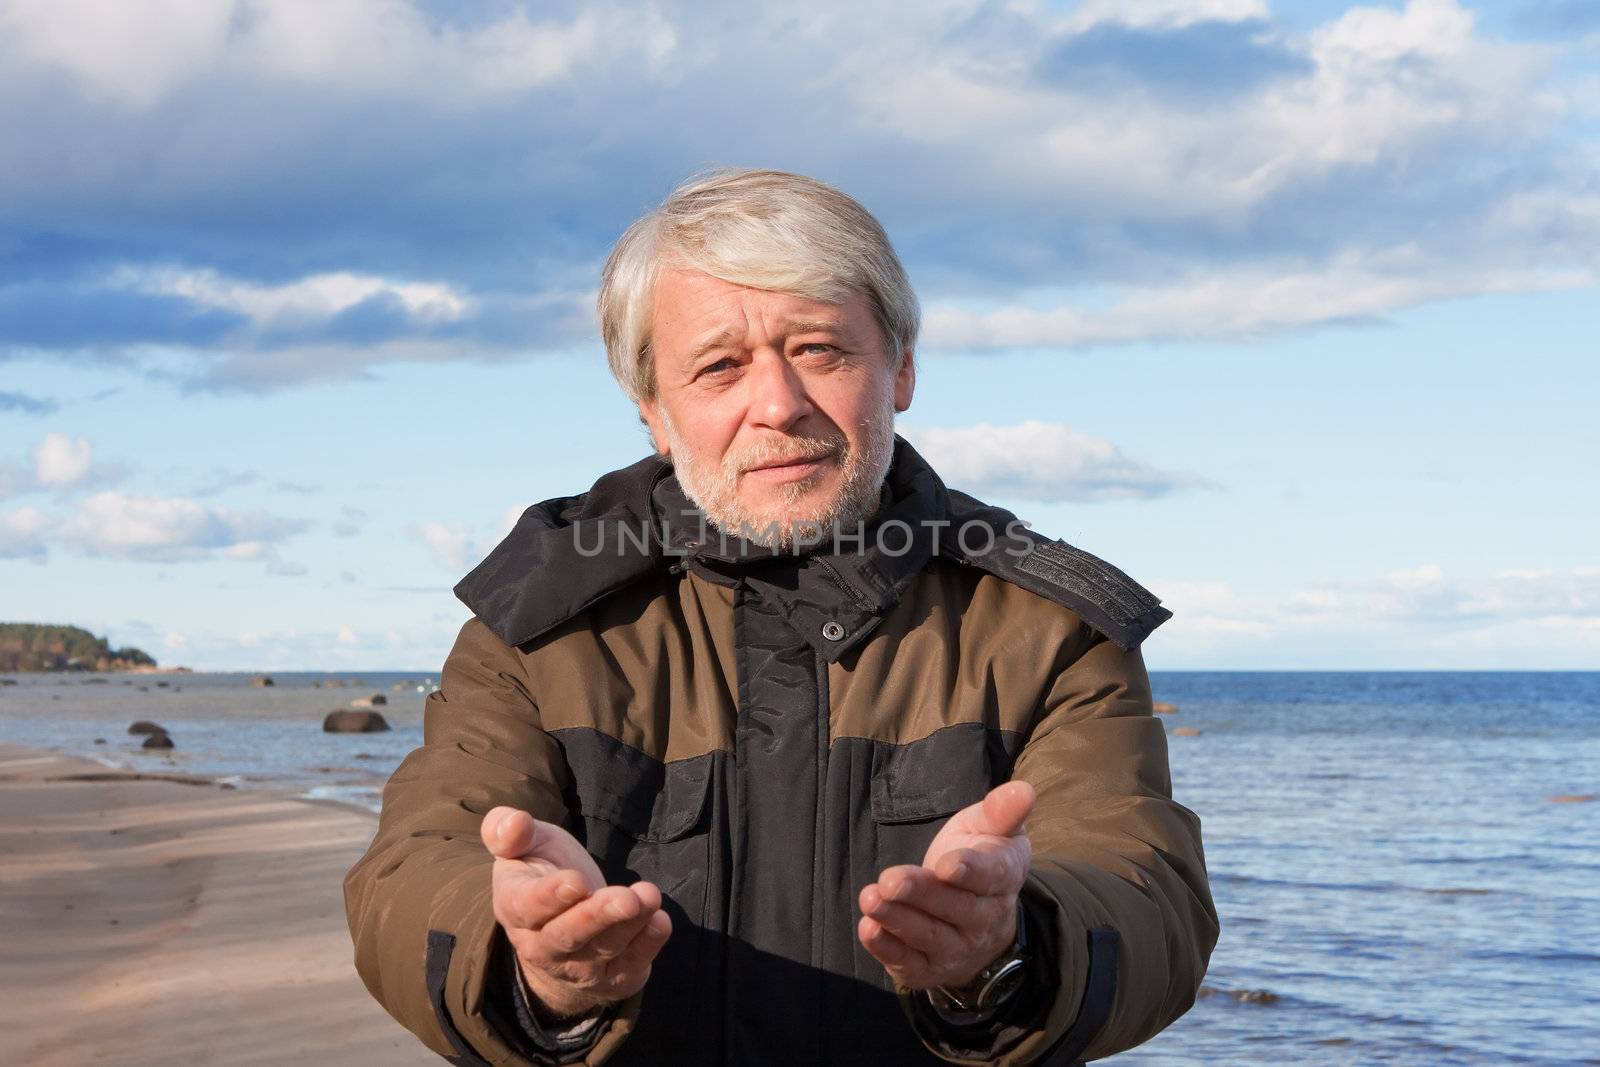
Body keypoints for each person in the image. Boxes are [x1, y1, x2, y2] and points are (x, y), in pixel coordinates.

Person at [344, 169, 1217, 1066]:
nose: (778, 404)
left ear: (901, 368)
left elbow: (1147, 886)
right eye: (720, 365)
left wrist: (1009, 949)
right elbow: (413, 868)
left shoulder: (1046, 629)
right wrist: (531, 964)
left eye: (821, 350)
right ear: (654, 409)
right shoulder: (535, 631)